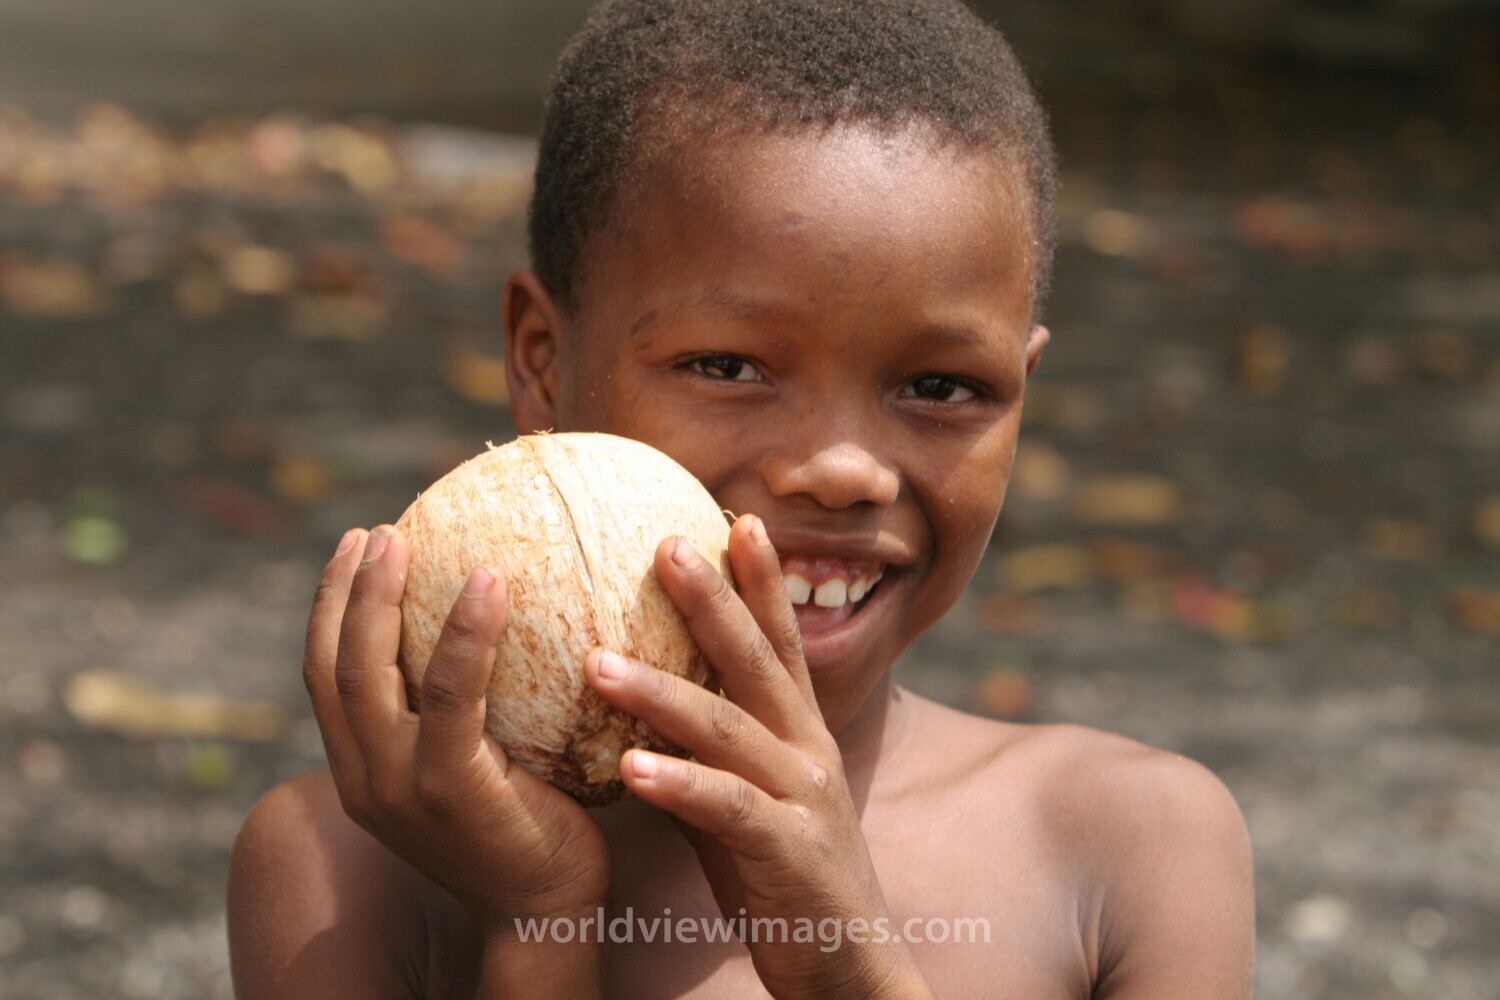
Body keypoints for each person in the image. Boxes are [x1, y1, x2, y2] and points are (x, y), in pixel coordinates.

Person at [226, 0, 1256, 996]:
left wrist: (849, 973)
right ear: (543, 361)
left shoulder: (1129, 844)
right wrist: (540, 920)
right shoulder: (346, 873)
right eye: (727, 365)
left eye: (942, 388)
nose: (842, 470)